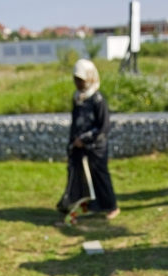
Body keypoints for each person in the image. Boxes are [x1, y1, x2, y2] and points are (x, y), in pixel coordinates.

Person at [57, 59, 119, 225]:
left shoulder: (97, 99)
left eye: (81, 79)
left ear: (90, 78)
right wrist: (73, 142)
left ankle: (111, 205)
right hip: (78, 145)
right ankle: (76, 208)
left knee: (100, 176)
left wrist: (85, 140)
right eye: (75, 79)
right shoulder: (78, 98)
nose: (77, 83)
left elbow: (103, 126)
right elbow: (76, 121)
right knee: (77, 178)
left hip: (96, 146)